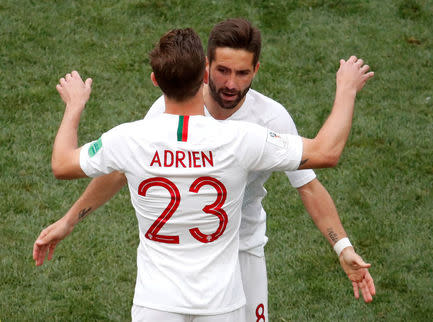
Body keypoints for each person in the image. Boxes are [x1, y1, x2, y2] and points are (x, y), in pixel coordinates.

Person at [33, 26, 373, 321]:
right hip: (220, 290)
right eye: (222, 71)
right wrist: (346, 90)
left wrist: (75, 105)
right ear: (205, 74)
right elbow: (326, 152)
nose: (230, 83)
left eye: (242, 73)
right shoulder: (242, 140)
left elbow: (73, 164)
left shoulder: (131, 135)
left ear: (156, 81)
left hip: (164, 292)